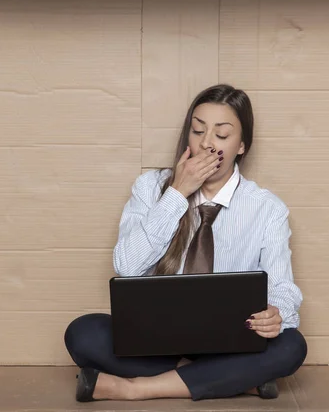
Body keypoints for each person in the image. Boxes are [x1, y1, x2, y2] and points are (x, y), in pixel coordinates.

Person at [64, 84, 307, 402]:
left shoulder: (267, 207)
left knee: (291, 346)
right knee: (83, 334)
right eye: (197, 131)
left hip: (233, 340)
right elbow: (126, 264)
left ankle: (134, 388)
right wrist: (177, 194)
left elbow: (283, 289)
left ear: (242, 145)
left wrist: (276, 312)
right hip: (155, 339)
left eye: (221, 135)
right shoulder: (151, 187)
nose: (207, 143)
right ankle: (232, 378)